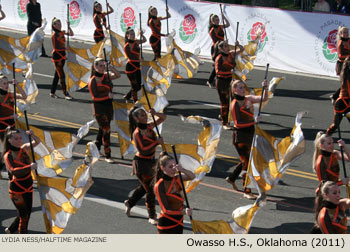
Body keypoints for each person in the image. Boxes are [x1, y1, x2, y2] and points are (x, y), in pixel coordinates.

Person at [226, 79, 267, 199]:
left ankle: (232, 178)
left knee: (247, 160)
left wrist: (265, 87)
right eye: (239, 88)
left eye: (243, 87)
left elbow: (263, 99)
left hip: (250, 133)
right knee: (248, 163)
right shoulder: (234, 104)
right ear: (234, 90)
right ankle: (246, 190)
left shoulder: (248, 99)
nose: (243, 90)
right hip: (240, 136)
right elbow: (238, 123)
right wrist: (254, 121)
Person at [124, 106, 166, 225]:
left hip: (151, 162)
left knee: (145, 187)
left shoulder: (149, 126)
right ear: (137, 119)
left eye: (145, 114)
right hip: (141, 164)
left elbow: (163, 118)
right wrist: (156, 143)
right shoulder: (137, 133)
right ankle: (152, 216)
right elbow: (143, 150)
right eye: (142, 115)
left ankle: (130, 202)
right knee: (151, 189)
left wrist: (155, 113)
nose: (146, 116)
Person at [3, 127, 40, 234]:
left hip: (28, 188)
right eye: (16, 139)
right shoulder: (8, 155)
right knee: (24, 217)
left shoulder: (24, 148)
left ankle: (10, 230)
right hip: (17, 191)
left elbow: (38, 142)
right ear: (9, 140)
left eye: (20, 138)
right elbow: (13, 171)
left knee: (25, 213)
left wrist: (32, 135)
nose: (19, 141)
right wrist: (30, 167)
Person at [88, 58, 120, 163]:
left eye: (103, 65)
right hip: (99, 107)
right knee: (106, 130)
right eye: (100, 66)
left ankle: (95, 148)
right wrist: (107, 95)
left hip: (108, 106)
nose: (102, 68)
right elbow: (95, 97)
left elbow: (118, 75)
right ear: (95, 67)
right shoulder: (93, 80)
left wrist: (110, 67)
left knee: (103, 129)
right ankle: (108, 155)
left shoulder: (107, 76)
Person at [154, 152, 194, 234]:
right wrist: (183, 212)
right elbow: (166, 210)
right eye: (170, 166)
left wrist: (182, 170)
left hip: (179, 222)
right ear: (162, 168)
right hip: (166, 225)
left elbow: (192, 176)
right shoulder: (159, 185)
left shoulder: (177, 178)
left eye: (174, 165)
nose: (173, 169)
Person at [214, 40, 244, 128]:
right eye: (226, 46)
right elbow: (218, 71)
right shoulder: (219, 58)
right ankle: (224, 122)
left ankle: (229, 118)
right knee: (225, 103)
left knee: (234, 101)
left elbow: (241, 49)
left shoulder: (231, 54)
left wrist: (238, 45)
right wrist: (229, 72)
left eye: (228, 46)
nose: (228, 48)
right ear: (221, 48)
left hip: (230, 82)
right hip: (222, 82)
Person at [50, 17, 73, 100]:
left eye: (60, 24)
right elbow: (56, 47)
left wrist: (69, 26)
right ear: (54, 25)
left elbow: (71, 34)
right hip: (57, 56)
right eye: (58, 24)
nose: (60, 26)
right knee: (61, 75)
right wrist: (65, 49)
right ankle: (65, 93)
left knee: (57, 75)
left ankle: (52, 92)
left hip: (62, 56)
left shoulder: (61, 33)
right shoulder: (54, 35)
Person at [326, 56, 350, 135]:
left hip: (346, 104)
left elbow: (341, 88)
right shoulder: (345, 77)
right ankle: (323, 140)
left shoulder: (345, 76)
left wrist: (334, 96)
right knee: (335, 125)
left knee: (335, 125)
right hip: (342, 105)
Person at [0, 75, 27, 142]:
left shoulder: (10, 94)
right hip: (2, 125)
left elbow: (24, 96)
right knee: (6, 144)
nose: (7, 85)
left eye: (7, 83)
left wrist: (17, 85)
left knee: (12, 143)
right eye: (4, 83)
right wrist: (11, 116)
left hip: (11, 124)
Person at [206, 14, 230, 89]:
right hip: (216, 48)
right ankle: (210, 81)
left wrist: (224, 18)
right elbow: (216, 40)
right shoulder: (211, 29)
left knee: (221, 64)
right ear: (212, 21)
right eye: (216, 20)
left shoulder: (220, 26)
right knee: (218, 64)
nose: (217, 21)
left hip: (222, 47)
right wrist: (224, 43)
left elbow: (228, 24)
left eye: (218, 19)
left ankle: (212, 80)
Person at [123, 27, 146, 103]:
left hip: (137, 66)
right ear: (127, 35)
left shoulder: (136, 42)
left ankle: (128, 96)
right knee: (134, 85)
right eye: (131, 34)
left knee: (138, 85)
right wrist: (139, 59)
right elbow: (130, 56)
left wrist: (142, 34)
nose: (133, 36)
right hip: (130, 67)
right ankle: (135, 100)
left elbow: (144, 40)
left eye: (134, 34)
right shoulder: (126, 46)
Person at [330, 26, 350, 104]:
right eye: (344, 32)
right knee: (344, 82)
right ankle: (336, 97)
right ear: (340, 34)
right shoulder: (340, 43)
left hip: (348, 63)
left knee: (346, 82)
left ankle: (335, 96)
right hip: (342, 65)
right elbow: (340, 56)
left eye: (347, 32)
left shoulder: (349, 40)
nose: (346, 34)